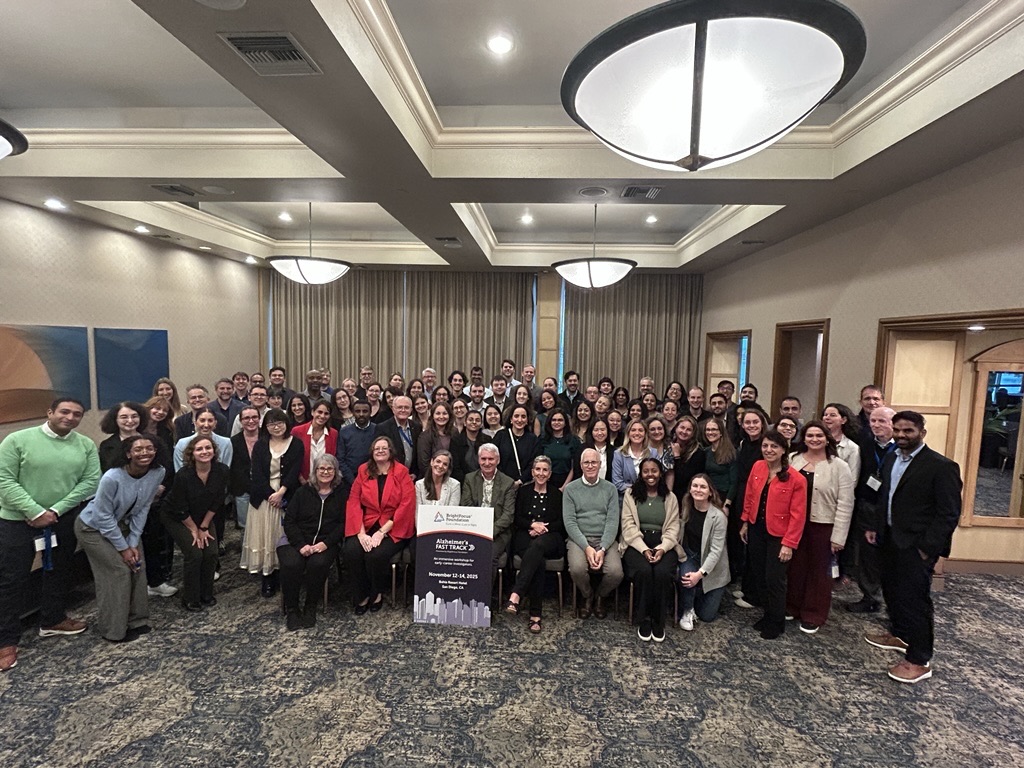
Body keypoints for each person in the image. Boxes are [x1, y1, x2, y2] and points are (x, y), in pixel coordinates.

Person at [0, 399, 100, 671]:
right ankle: (6, 640)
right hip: (17, 520)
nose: (70, 417)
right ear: (50, 413)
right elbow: (4, 480)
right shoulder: (17, 440)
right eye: (64, 412)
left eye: (77, 414)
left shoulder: (85, 445)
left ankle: (52, 619)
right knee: (12, 579)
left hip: (60, 518)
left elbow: (90, 481)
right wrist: (34, 511)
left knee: (58, 570)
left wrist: (55, 510)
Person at [864, 411, 962, 684]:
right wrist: (874, 526)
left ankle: (919, 659)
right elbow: (883, 496)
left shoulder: (941, 466)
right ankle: (900, 634)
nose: (901, 435)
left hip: (916, 546)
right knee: (892, 591)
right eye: (897, 430)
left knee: (915, 601)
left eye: (908, 431)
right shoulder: (892, 459)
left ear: (922, 433)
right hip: (889, 538)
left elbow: (949, 513)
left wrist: (927, 548)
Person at [75, 435, 164, 642]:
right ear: (128, 454)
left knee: (137, 566)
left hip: (124, 525)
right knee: (119, 571)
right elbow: (102, 516)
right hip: (92, 528)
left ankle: (137, 620)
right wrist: (124, 549)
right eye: (138, 449)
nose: (145, 453)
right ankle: (113, 630)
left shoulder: (158, 472)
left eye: (149, 448)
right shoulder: (112, 477)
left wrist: (133, 543)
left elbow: (143, 507)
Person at [786, 421, 854, 634]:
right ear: (803, 438)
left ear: (827, 439)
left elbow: (846, 503)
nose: (814, 439)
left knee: (819, 571)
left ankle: (813, 613)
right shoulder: (793, 459)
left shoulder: (839, 466)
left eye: (819, 436)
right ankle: (792, 606)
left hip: (823, 526)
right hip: (795, 524)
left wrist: (839, 536)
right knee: (795, 567)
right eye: (810, 435)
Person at [739, 430, 807, 639]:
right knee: (759, 575)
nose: (768, 450)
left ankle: (777, 622)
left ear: (784, 450)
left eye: (774, 446)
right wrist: (745, 522)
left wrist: (789, 543)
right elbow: (750, 496)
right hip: (756, 528)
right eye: (765, 446)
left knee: (774, 579)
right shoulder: (758, 467)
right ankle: (767, 614)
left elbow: (798, 515)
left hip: (780, 535)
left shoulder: (796, 479)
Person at [343, 436, 416, 614]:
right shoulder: (363, 470)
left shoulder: (401, 472)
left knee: (375, 555)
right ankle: (361, 595)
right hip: (366, 523)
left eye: (384, 448)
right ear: (372, 452)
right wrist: (361, 533)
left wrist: (382, 532)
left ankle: (376, 593)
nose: (380, 451)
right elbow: (354, 501)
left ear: (391, 451)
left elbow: (406, 504)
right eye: (377, 448)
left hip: (393, 526)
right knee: (352, 550)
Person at [278, 454, 348, 630]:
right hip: (295, 540)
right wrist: (301, 545)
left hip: (325, 543)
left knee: (318, 564)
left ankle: (310, 607)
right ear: (315, 471)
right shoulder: (302, 492)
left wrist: (326, 544)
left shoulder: (342, 494)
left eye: (330, 468)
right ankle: (292, 609)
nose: (325, 472)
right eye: (321, 468)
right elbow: (290, 521)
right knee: (292, 563)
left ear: (336, 472)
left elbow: (343, 524)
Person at [162, 436, 227, 612]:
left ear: (214, 451)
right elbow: (180, 507)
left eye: (208, 448)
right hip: (177, 517)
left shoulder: (221, 470)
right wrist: (194, 530)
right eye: (199, 449)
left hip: (204, 516)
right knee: (194, 553)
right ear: (192, 453)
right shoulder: (183, 475)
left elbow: (218, 500)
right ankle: (190, 597)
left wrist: (204, 527)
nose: (204, 452)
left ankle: (206, 593)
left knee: (211, 552)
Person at [242, 408, 302, 597]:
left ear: (286, 423)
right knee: (265, 536)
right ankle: (267, 577)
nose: (276, 427)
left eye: (279, 423)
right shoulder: (260, 445)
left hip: (287, 494)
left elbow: (294, 471)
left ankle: (284, 573)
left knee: (282, 535)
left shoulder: (296, 443)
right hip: (263, 497)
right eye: (271, 424)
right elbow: (257, 474)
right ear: (265, 427)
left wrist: (281, 493)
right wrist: (271, 495)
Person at [620, 458, 680, 642]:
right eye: (646, 471)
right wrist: (644, 549)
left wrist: (662, 549)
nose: (650, 475)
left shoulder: (670, 497)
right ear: (641, 474)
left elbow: (673, 528)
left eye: (654, 471)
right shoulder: (631, 495)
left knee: (662, 572)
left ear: (660, 473)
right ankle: (644, 618)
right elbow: (628, 526)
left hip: (663, 542)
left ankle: (658, 620)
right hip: (636, 542)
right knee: (644, 571)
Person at [506, 456, 564, 634]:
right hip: (525, 535)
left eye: (545, 470)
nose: (541, 473)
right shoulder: (523, 492)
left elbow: (561, 522)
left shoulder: (556, 494)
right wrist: (532, 525)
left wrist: (543, 529)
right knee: (537, 560)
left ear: (550, 474)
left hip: (550, 537)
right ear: (532, 472)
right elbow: (517, 518)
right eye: (537, 469)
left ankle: (516, 593)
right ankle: (535, 615)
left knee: (538, 547)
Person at [846, 406, 896, 614]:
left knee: (892, 557)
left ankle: (893, 601)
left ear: (893, 423)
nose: (876, 425)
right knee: (867, 555)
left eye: (882, 421)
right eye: (873, 421)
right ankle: (870, 597)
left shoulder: (902, 448)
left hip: (894, 508)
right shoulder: (865, 444)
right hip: (868, 505)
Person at [563, 448, 623, 619]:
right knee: (577, 569)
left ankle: (600, 596)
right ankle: (587, 595)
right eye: (586, 462)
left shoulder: (610, 489)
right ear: (581, 465)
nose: (590, 466)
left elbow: (612, 522)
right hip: (578, 539)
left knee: (616, 572)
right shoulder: (570, 489)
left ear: (600, 464)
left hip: (605, 539)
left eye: (593, 462)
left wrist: (602, 548)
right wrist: (587, 547)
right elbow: (570, 522)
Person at [676, 474, 730, 630]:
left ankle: (698, 591)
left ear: (710, 492)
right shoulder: (687, 506)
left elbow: (716, 552)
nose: (698, 490)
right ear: (690, 489)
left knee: (707, 615)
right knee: (687, 578)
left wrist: (699, 575)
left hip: (713, 565)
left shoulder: (718, 517)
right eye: (695, 486)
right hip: (690, 555)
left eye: (703, 487)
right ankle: (688, 610)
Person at [462, 444, 517, 570]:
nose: (487, 463)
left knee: (488, 555)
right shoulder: (469, 479)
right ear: (478, 460)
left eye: (491, 459)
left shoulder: (508, 482)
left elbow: (508, 515)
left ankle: (486, 584)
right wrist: (477, 529)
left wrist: (489, 532)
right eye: (483, 459)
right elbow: (466, 506)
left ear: (498, 460)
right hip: (473, 530)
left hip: (498, 533)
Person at [229, 405, 261, 530]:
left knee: (263, 524)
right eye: (246, 418)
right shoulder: (233, 441)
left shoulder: (268, 438)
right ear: (241, 421)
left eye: (254, 417)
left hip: (265, 489)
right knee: (245, 525)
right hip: (242, 489)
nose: (251, 421)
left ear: (259, 419)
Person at [493, 405, 541, 485]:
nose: (520, 420)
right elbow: (493, 458)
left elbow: (534, 463)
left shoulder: (533, 439)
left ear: (527, 420)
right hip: (501, 483)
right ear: (511, 419)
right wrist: (504, 480)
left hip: (524, 484)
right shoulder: (500, 435)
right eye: (516, 416)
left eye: (523, 417)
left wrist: (520, 481)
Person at [97, 401, 149, 472]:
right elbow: (106, 470)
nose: (130, 421)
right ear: (115, 420)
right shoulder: (107, 446)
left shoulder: (151, 440)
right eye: (124, 417)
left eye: (134, 416)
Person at [701, 418, 737, 518]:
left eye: (714, 429)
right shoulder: (706, 452)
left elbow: (734, 482)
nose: (710, 432)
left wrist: (727, 505)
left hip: (724, 497)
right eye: (708, 430)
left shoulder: (731, 453)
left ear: (721, 432)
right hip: (710, 496)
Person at [377, 395, 422, 477]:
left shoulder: (417, 427)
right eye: (400, 407)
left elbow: (418, 453)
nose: (403, 410)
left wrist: (415, 473)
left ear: (411, 410)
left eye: (406, 407)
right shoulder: (383, 428)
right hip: (391, 475)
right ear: (393, 409)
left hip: (412, 476)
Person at [336, 400, 378, 485]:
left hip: (373, 477)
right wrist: (353, 480)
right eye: (358, 411)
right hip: (349, 479)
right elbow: (340, 459)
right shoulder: (344, 431)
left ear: (370, 413)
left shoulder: (378, 430)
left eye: (365, 411)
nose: (361, 414)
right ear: (353, 413)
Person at [612, 418, 657, 497]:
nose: (637, 433)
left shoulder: (653, 453)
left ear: (645, 434)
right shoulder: (618, 454)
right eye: (633, 430)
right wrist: (639, 490)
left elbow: (658, 479)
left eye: (640, 430)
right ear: (628, 433)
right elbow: (618, 483)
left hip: (650, 497)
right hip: (626, 498)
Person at [539, 408, 581, 491]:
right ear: (549, 422)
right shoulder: (542, 440)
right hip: (546, 482)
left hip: (568, 483)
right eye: (554, 420)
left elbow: (574, 466)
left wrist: (564, 487)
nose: (556, 422)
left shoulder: (574, 440)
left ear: (565, 423)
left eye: (560, 420)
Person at [821, 403, 863, 481]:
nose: (827, 418)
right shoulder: (816, 442)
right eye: (825, 415)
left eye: (832, 415)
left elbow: (853, 479)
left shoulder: (852, 447)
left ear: (843, 420)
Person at [669, 416, 706, 502]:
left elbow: (683, 478)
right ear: (676, 428)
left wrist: (677, 456)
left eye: (689, 430)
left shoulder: (698, 452)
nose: (684, 432)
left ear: (693, 433)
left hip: (687, 496)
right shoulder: (667, 445)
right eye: (682, 427)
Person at [417, 402, 457, 478]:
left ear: (449, 415)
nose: (441, 417)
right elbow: (423, 464)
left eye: (444, 413)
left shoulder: (455, 433)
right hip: (430, 478)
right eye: (438, 413)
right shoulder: (425, 436)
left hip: (451, 477)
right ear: (432, 416)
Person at [582, 416, 614, 482]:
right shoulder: (582, 449)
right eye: (596, 430)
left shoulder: (614, 451)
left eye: (602, 430)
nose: (599, 433)